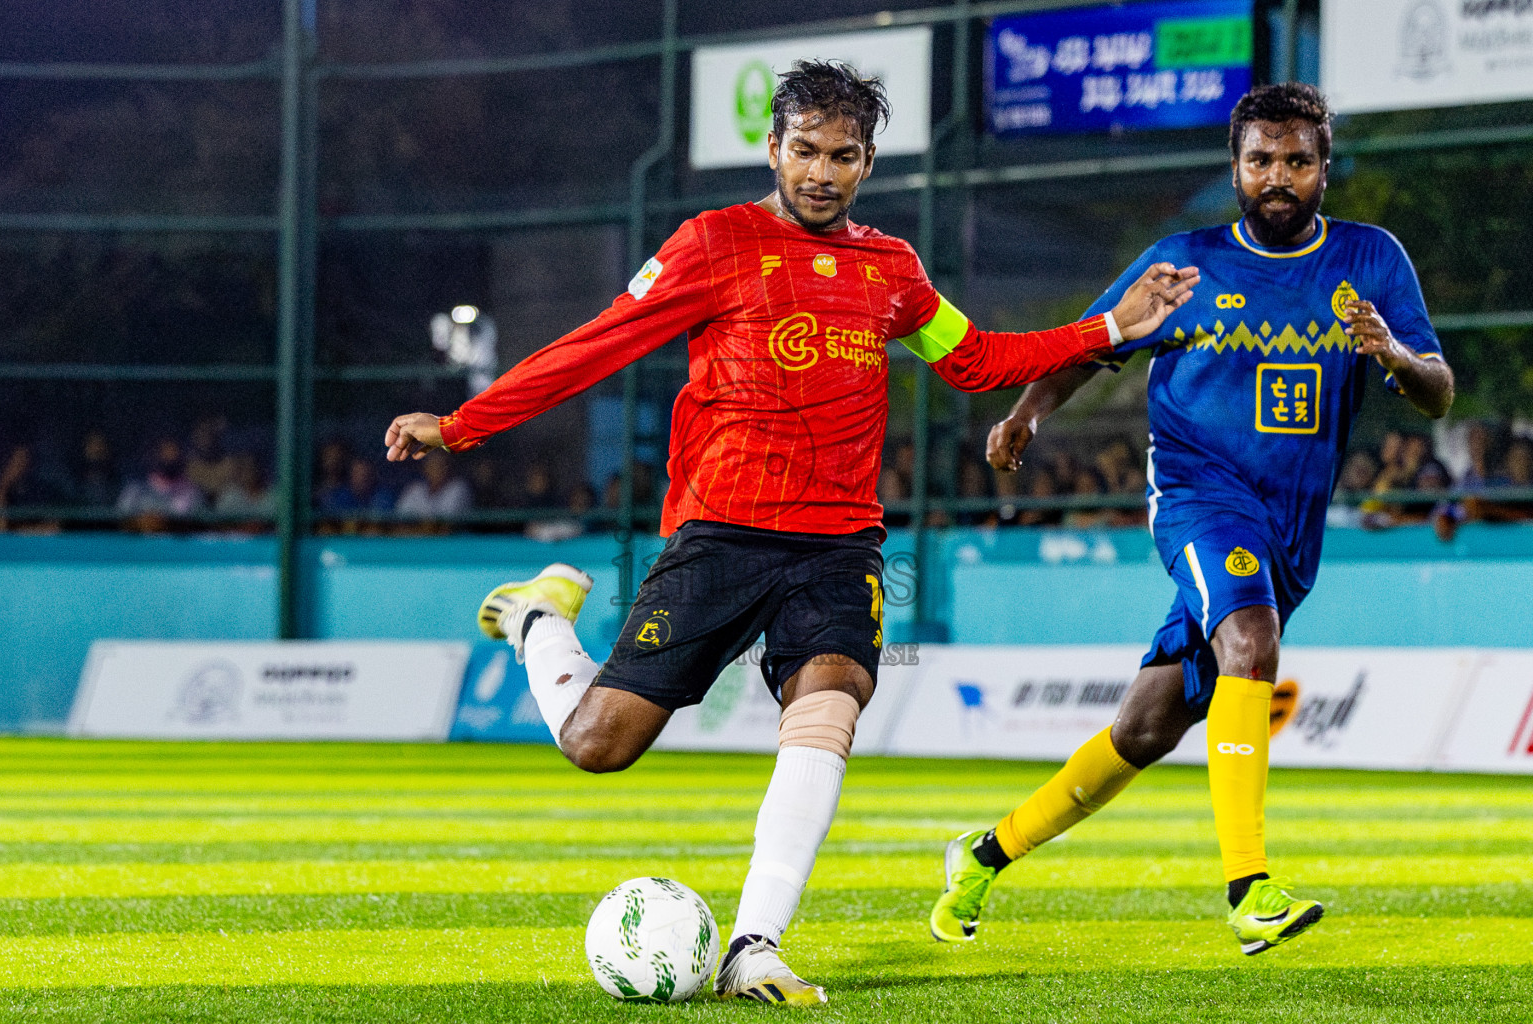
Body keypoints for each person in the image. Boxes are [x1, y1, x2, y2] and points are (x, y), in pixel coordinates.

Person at [383, 61, 1197, 1004]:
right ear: (772, 148)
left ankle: (753, 947)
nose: (820, 170)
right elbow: (597, 342)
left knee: (831, 703)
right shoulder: (713, 244)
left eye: (841, 155)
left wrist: (1106, 327)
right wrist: (464, 421)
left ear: (866, 163)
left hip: (839, 543)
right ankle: (536, 617)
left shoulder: (891, 272)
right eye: (803, 150)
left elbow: (975, 361)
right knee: (598, 744)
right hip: (721, 532)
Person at [930, 83, 1454, 957]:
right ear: (1236, 168)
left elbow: (1438, 394)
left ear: (1324, 170)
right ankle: (1251, 889)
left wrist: (1393, 355)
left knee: (1146, 725)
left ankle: (983, 853)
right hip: (1196, 496)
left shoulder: (1372, 260)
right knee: (1249, 640)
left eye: (1296, 161)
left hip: (1289, 525)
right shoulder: (1184, 261)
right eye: (1260, 161)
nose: (1277, 176)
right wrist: (1028, 414)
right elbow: (1094, 343)